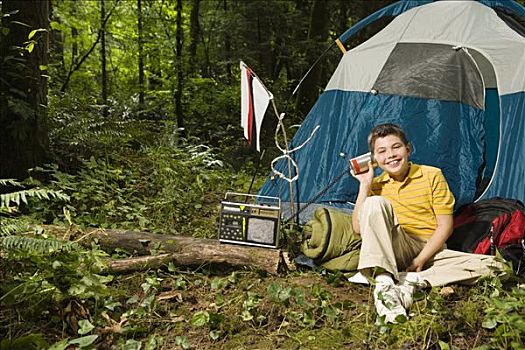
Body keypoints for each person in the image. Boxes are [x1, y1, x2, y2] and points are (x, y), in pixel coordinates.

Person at [350, 123, 500, 323]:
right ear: (375, 159)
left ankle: (410, 279)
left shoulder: (432, 175)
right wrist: (365, 185)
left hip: (430, 250)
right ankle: (384, 284)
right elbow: (358, 229)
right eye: (382, 151)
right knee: (374, 203)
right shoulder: (376, 185)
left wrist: (419, 261)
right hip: (396, 246)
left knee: (496, 266)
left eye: (396, 147)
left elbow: (445, 226)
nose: (391, 155)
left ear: (408, 149)